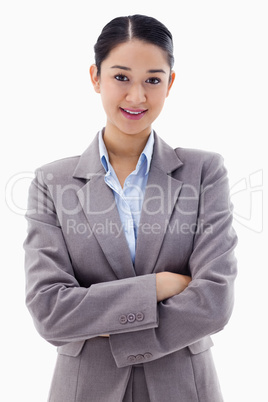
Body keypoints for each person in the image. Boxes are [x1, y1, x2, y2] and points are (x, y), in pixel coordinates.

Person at [24, 14, 237, 402]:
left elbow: (214, 302)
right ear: (95, 77)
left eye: (153, 80)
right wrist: (156, 287)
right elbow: (49, 310)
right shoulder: (51, 183)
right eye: (121, 77)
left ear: (169, 83)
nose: (137, 96)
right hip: (86, 388)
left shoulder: (204, 173)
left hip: (183, 387)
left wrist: (98, 318)